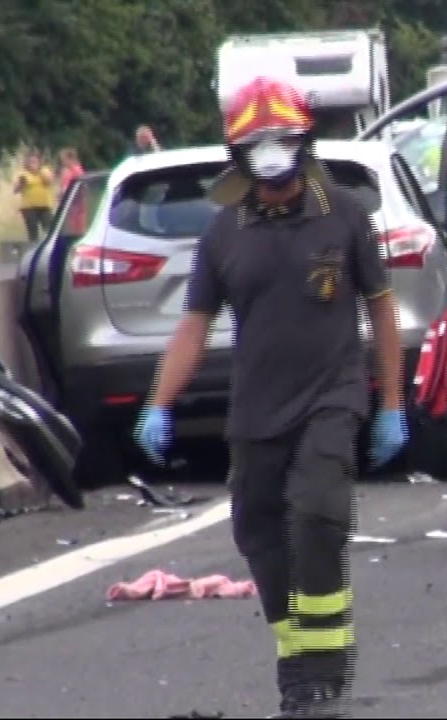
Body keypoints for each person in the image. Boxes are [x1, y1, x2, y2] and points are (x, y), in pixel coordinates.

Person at [132, 76, 406, 718]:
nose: (271, 152)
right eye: (256, 143)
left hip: (333, 393)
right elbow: (194, 324)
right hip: (257, 406)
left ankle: (324, 672)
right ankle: (297, 663)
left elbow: (382, 308)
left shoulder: (344, 214)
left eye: (281, 139)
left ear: (304, 142)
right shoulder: (224, 233)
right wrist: (159, 403)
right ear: (238, 154)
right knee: (257, 528)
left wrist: (392, 403)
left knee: (316, 512)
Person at [14, 151, 54, 243]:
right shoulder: (23, 173)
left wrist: (40, 171)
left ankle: (49, 247)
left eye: (35, 162)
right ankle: (33, 248)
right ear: (27, 163)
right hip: (28, 207)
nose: (33, 164)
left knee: (49, 230)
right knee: (33, 232)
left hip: (44, 206)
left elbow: (49, 182)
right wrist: (21, 184)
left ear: (39, 162)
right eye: (30, 162)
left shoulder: (44, 170)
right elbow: (15, 190)